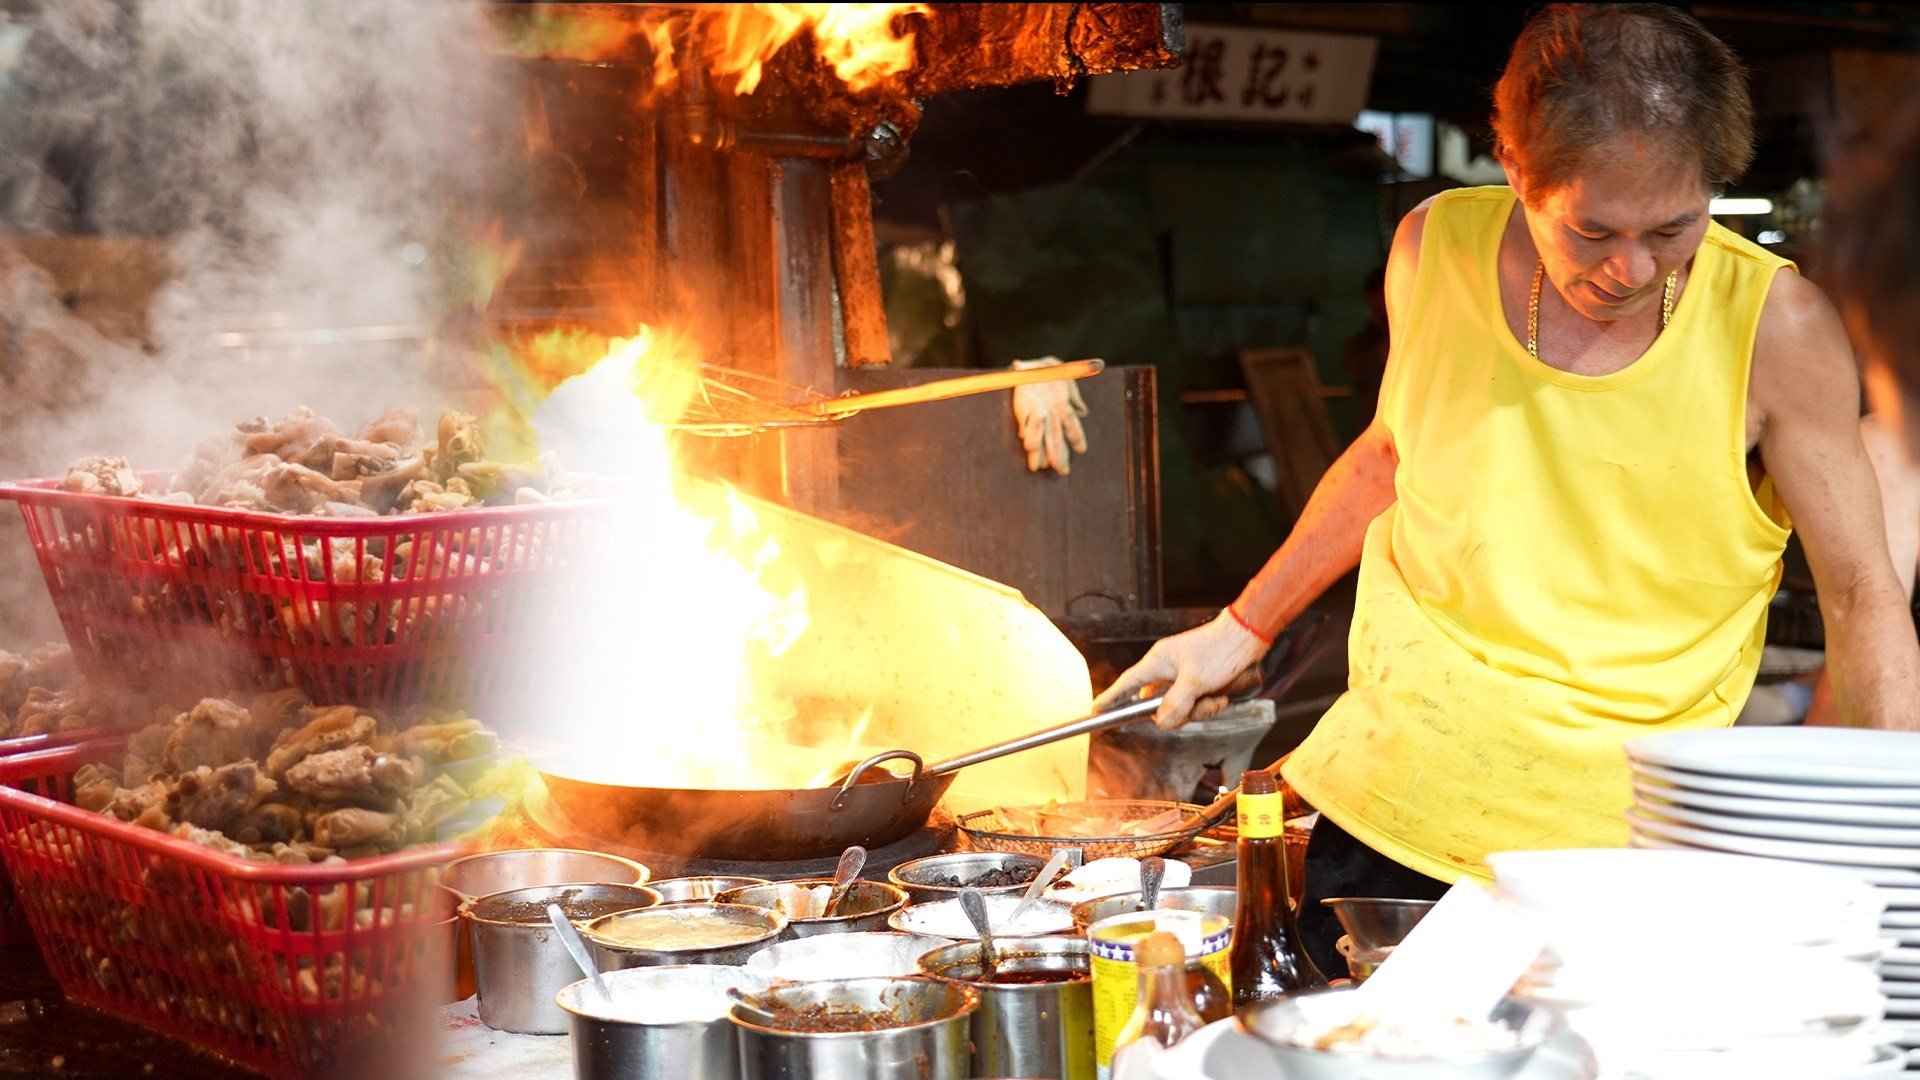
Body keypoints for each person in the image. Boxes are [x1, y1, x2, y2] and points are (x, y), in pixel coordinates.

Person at [1095, 3, 1920, 978]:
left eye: (1674, 227)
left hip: (1620, 847)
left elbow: (1864, 593)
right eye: (1594, 229)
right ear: (1513, 166)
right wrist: (1239, 629)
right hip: (1387, 805)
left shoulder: (1774, 327)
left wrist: (1869, 852)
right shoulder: (1430, 247)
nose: (1633, 268)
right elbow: (1391, 456)